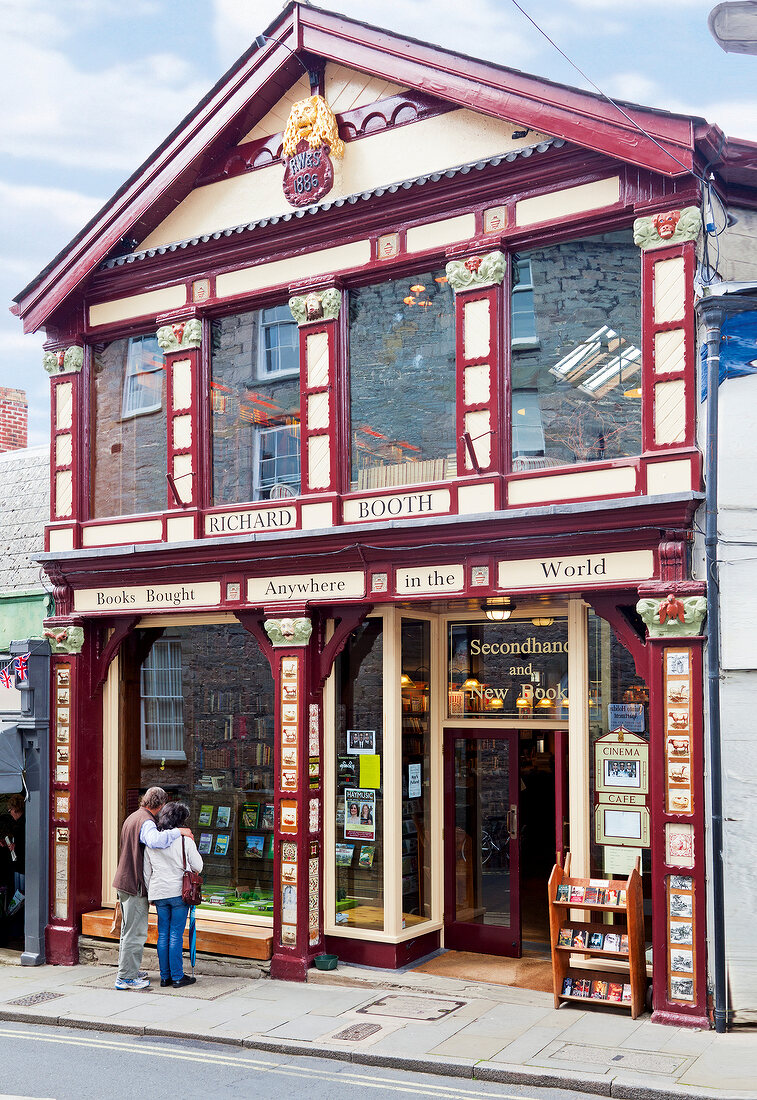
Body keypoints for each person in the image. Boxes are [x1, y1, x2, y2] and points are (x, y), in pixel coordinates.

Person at [112, 787, 193, 991]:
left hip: (124, 881)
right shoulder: (146, 821)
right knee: (135, 933)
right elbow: (155, 842)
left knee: (127, 931)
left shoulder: (133, 817)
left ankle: (129, 969)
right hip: (134, 884)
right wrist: (179, 831)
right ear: (161, 805)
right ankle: (126, 978)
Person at [144, 802, 203, 988]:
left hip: (159, 892)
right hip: (179, 892)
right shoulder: (185, 840)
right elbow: (198, 866)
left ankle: (165, 977)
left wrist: (150, 893)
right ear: (181, 820)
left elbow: (147, 872)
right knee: (176, 934)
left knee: (163, 934)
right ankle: (178, 976)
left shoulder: (153, 842)